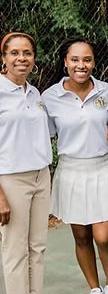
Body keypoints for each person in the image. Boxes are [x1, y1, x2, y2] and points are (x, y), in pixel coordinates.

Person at [42, 37, 108, 294]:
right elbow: (46, 135)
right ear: (65, 63)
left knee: (104, 238)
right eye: (75, 59)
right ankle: (94, 288)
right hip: (71, 172)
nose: (81, 65)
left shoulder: (105, 90)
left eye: (87, 59)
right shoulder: (50, 96)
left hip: (102, 169)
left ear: (93, 62)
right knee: (81, 237)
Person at [0, 32, 52, 294]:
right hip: (10, 180)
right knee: (15, 250)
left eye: (27, 53)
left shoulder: (34, 93)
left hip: (41, 176)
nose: (22, 58)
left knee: (37, 247)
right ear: (4, 58)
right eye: (15, 53)